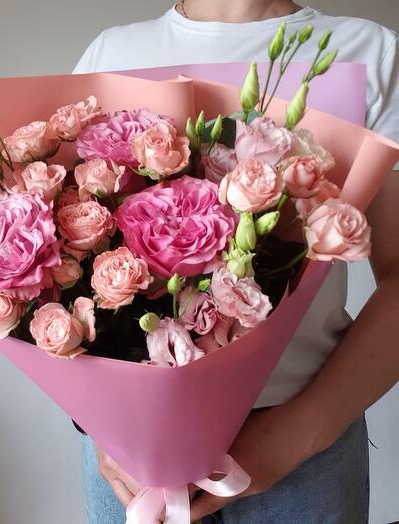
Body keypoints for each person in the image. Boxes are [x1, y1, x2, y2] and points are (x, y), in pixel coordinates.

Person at [74, 1, 399, 522]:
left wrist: (300, 432)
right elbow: (69, 269)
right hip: (132, 461)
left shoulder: (371, 55)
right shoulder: (110, 54)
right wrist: (99, 428)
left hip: (302, 454)